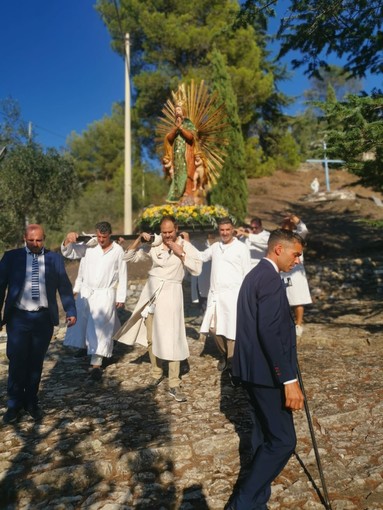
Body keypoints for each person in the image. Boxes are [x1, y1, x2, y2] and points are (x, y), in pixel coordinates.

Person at [229, 229, 305, 510]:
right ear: (278, 250)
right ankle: (244, 502)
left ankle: (256, 502)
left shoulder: (254, 276)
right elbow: (269, 333)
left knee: (263, 437)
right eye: (295, 254)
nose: (297, 260)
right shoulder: (270, 280)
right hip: (268, 375)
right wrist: (288, 379)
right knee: (284, 441)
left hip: (251, 371)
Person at [115, 215, 202, 402]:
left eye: (170, 232)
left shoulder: (185, 246)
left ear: (176, 229)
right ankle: (156, 373)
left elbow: (197, 269)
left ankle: (173, 382)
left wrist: (181, 253)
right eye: (164, 232)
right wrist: (140, 239)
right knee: (151, 336)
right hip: (152, 294)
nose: (167, 235)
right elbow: (127, 257)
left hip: (171, 294)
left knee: (173, 338)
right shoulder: (155, 244)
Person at [0, 224, 77, 424]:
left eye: (39, 240)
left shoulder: (54, 259)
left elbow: (64, 286)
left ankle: (31, 402)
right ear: (24, 238)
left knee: (36, 362)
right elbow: (0, 287)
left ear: (44, 238)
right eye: (31, 240)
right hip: (18, 318)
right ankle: (14, 404)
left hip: (43, 319)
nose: (35, 244)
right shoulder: (11, 257)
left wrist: (70, 310)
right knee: (17, 361)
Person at [61, 221, 127, 380]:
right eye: (98, 236)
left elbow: (123, 273)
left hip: (105, 293)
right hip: (87, 291)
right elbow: (69, 253)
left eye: (104, 237)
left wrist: (121, 296)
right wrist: (67, 240)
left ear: (110, 234)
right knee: (84, 323)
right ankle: (85, 348)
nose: (101, 240)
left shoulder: (118, 250)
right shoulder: (89, 246)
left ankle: (96, 363)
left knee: (100, 327)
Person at [199, 217, 251, 373]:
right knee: (214, 328)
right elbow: (201, 256)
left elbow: (247, 274)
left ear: (233, 230)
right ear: (219, 231)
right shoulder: (215, 247)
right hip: (216, 295)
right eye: (222, 230)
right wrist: (184, 244)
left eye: (228, 230)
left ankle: (232, 360)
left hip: (234, 295)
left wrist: (245, 297)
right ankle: (224, 354)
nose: (225, 233)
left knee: (231, 329)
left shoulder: (241, 248)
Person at [280, 214, 312, 337]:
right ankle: (285, 323)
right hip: (282, 270)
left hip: (296, 271)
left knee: (297, 299)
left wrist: (297, 219)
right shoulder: (279, 237)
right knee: (283, 298)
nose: (285, 224)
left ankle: (298, 324)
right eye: (284, 223)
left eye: (288, 223)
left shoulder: (297, 236)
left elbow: (304, 229)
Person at [164, 101, 196, 202]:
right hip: (176, 156)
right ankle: (176, 197)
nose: (176, 112)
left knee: (186, 174)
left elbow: (191, 137)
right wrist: (175, 129)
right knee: (177, 175)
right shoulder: (175, 125)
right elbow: (169, 138)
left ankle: (187, 195)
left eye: (178, 109)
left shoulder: (188, 123)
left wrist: (181, 129)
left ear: (183, 111)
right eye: (175, 110)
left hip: (186, 155)